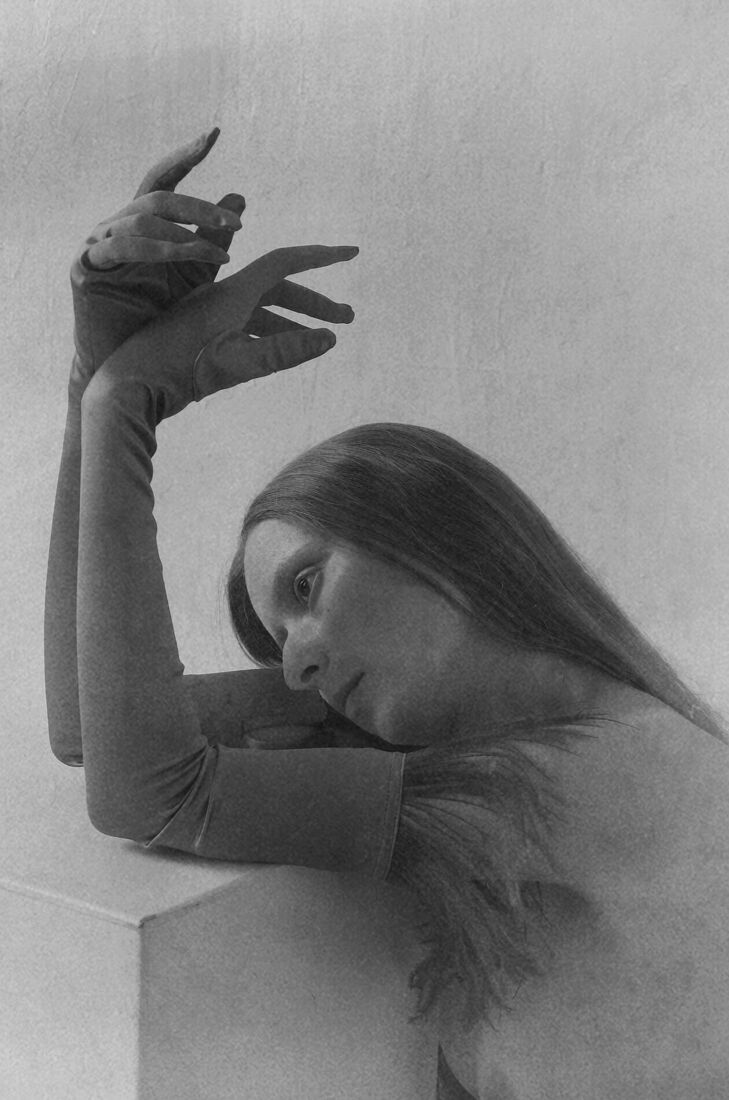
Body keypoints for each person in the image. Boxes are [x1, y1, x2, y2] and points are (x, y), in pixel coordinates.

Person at [45, 130, 729, 1100]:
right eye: (280, 636)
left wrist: (126, 404)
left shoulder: (624, 770)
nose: (293, 664)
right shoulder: (484, 747)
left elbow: (149, 791)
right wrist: (94, 378)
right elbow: (92, 730)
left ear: (437, 536)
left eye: (306, 588)